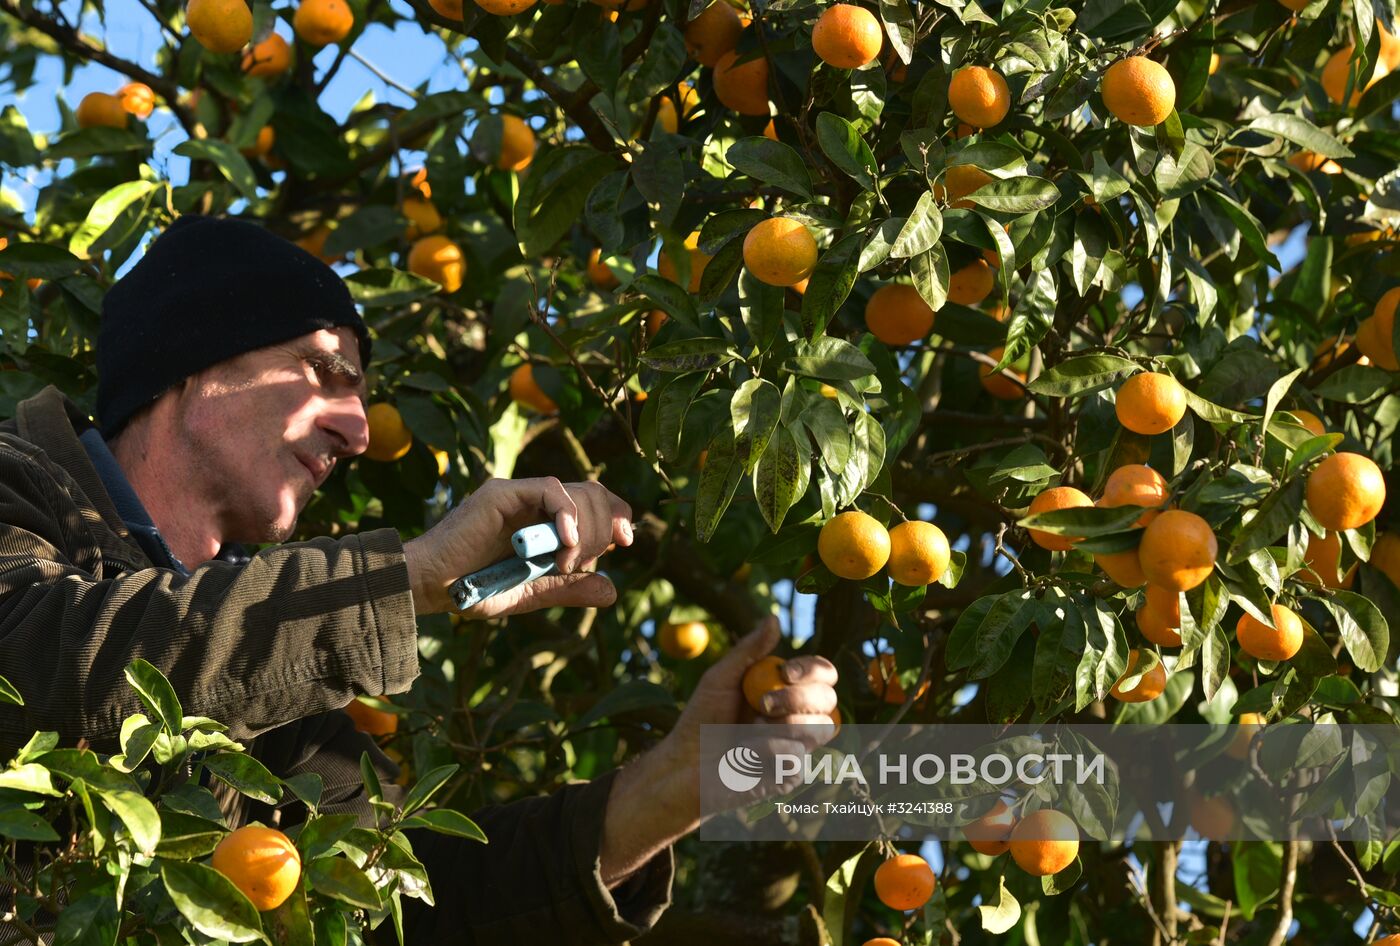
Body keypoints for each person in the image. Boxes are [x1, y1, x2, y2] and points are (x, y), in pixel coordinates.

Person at [0, 215, 838, 943]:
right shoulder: (15, 483)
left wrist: (680, 784)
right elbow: (41, 659)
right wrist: (408, 581)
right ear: (198, 364)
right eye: (325, 370)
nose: (360, 430)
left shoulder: (272, 692)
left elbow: (404, 898)